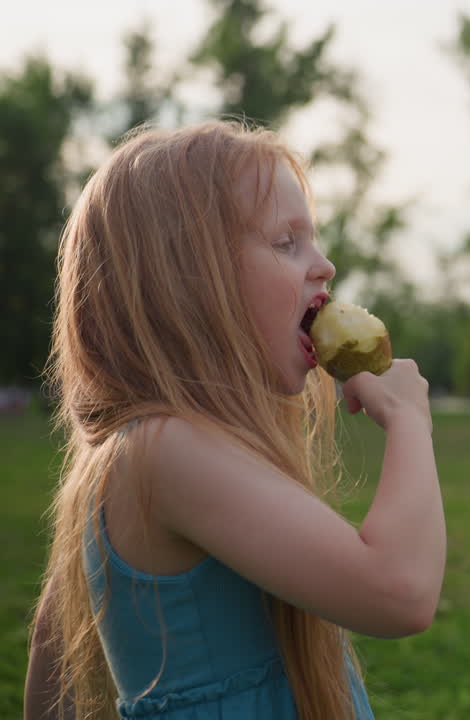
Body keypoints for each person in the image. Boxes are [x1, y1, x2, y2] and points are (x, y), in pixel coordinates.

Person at [24, 121, 446, 719]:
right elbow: (400, 591)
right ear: (188, 282)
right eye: (285, 242)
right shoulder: (162, 452)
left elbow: (50, 674)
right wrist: (408, 421)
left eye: (314, 240)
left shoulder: (152, 455)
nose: (324, 266)